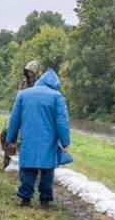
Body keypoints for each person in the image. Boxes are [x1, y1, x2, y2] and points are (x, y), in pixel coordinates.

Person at [5, 67, 72, 208]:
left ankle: (25, 198)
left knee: (28, 168)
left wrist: (10, 138)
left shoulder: (23, 95)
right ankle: (45, 200)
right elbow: (62, 121)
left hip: (28, 138)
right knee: (47, 169)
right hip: (48, 141)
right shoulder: (57, 97)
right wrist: (66, 142)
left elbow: (14, 118)